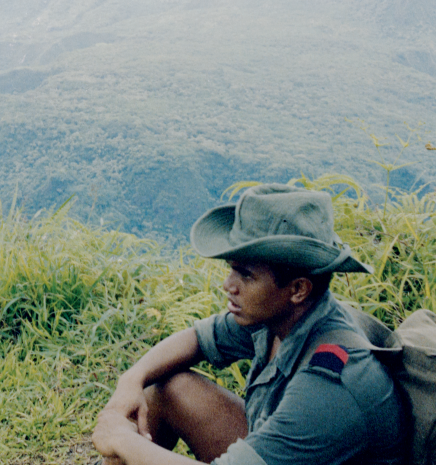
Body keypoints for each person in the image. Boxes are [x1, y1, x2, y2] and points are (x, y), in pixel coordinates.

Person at [92, 183, 404, 465]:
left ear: (298, 289)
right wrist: (131, 380)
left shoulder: (329, 385)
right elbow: (199, 339)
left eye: (246, 274)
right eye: (232, 270)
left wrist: (121, 439)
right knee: (167, 388)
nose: (229, 285)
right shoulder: (280, 318)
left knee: (131, 439)